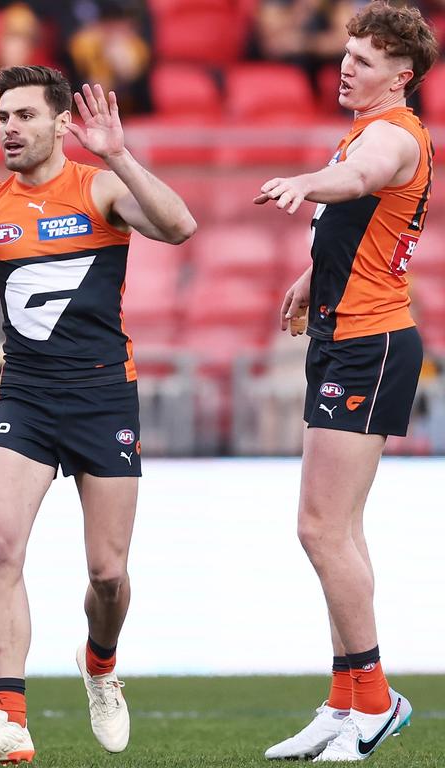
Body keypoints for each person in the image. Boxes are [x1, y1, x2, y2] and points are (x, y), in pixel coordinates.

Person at [0, 64, 196, 762]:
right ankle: (8, 716)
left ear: (58, 123)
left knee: (108, 575)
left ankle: (101, 664)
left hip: (105, 394)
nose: (10, 128)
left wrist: (116, 153)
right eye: (2, 117)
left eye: (24, 115)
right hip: (26, 397)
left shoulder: (99, 186)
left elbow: (179, 226)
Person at [256, 2, 437, 762]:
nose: (346, 66)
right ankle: (343, 702)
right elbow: (365, 223)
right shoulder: (373, 129)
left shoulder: (389, 137)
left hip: (371, 345)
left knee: (321, 529)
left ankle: (376, 699)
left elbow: (357, 181)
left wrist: (308, 179)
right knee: (339, 530)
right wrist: (310, 276)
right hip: (346, 335)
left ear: (402, 76)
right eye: (346, 54)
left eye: (363, 60)